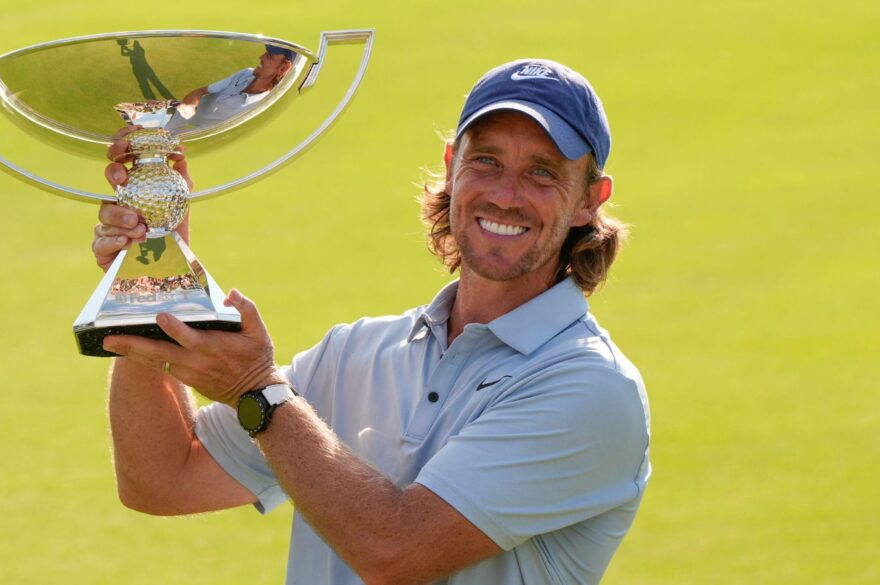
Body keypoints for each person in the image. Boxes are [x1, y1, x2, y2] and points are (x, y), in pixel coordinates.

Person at [92, 59, 650, 585]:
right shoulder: (356, 352)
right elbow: (161, 479)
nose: (506, 195)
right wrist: (154, 272)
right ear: (453, 166)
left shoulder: (592, 389)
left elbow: (395, 552)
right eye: (487, 161)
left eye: (542, 172)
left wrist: (256, 391)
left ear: (588, 201)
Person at [170, 44, 295, 130]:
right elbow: (201, 91)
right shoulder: (245, 73)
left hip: (184, 149)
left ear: (283, 69)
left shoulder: (261, 107)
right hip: (169, 124)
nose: (261, 57)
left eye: (269, 56)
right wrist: (187, 105)